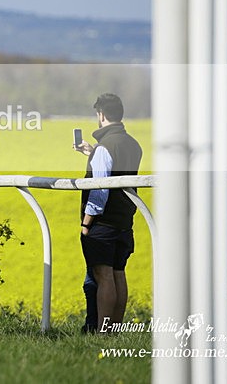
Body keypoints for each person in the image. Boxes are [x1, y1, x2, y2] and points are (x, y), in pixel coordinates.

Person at [74, 93, 143, 333]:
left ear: (101, 114)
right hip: (124, 220)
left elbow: (100, 190)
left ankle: (103, 331)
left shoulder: (104, 148)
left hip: (103, 222)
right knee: (118, 274)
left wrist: (86, 223)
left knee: (103, 276)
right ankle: (115, 328)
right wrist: (93, 152)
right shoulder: (132, 144)